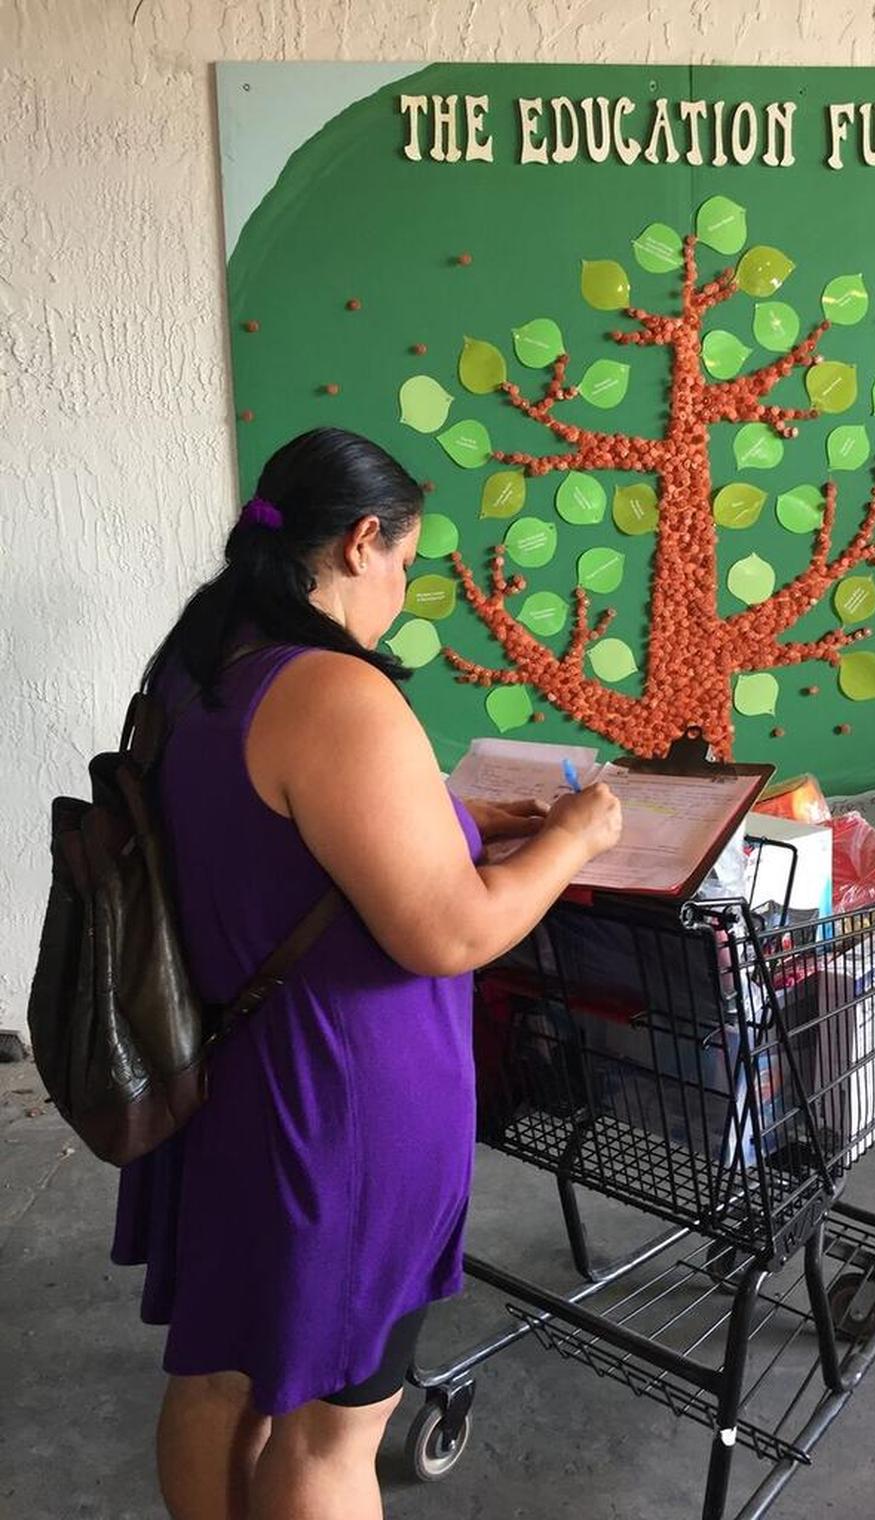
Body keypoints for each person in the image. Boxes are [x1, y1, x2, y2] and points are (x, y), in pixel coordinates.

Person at [111, 426, 622, 1520]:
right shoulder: (334, 692)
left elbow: (273, 832)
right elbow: (448, 932)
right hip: (341, 1110)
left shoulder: (202, 665)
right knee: (334, 1428)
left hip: (227, 1076)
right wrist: (575, 838)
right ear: (357, 543)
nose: (403, 586)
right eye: (405, 562)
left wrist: (463, 815)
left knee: (218, 1381)